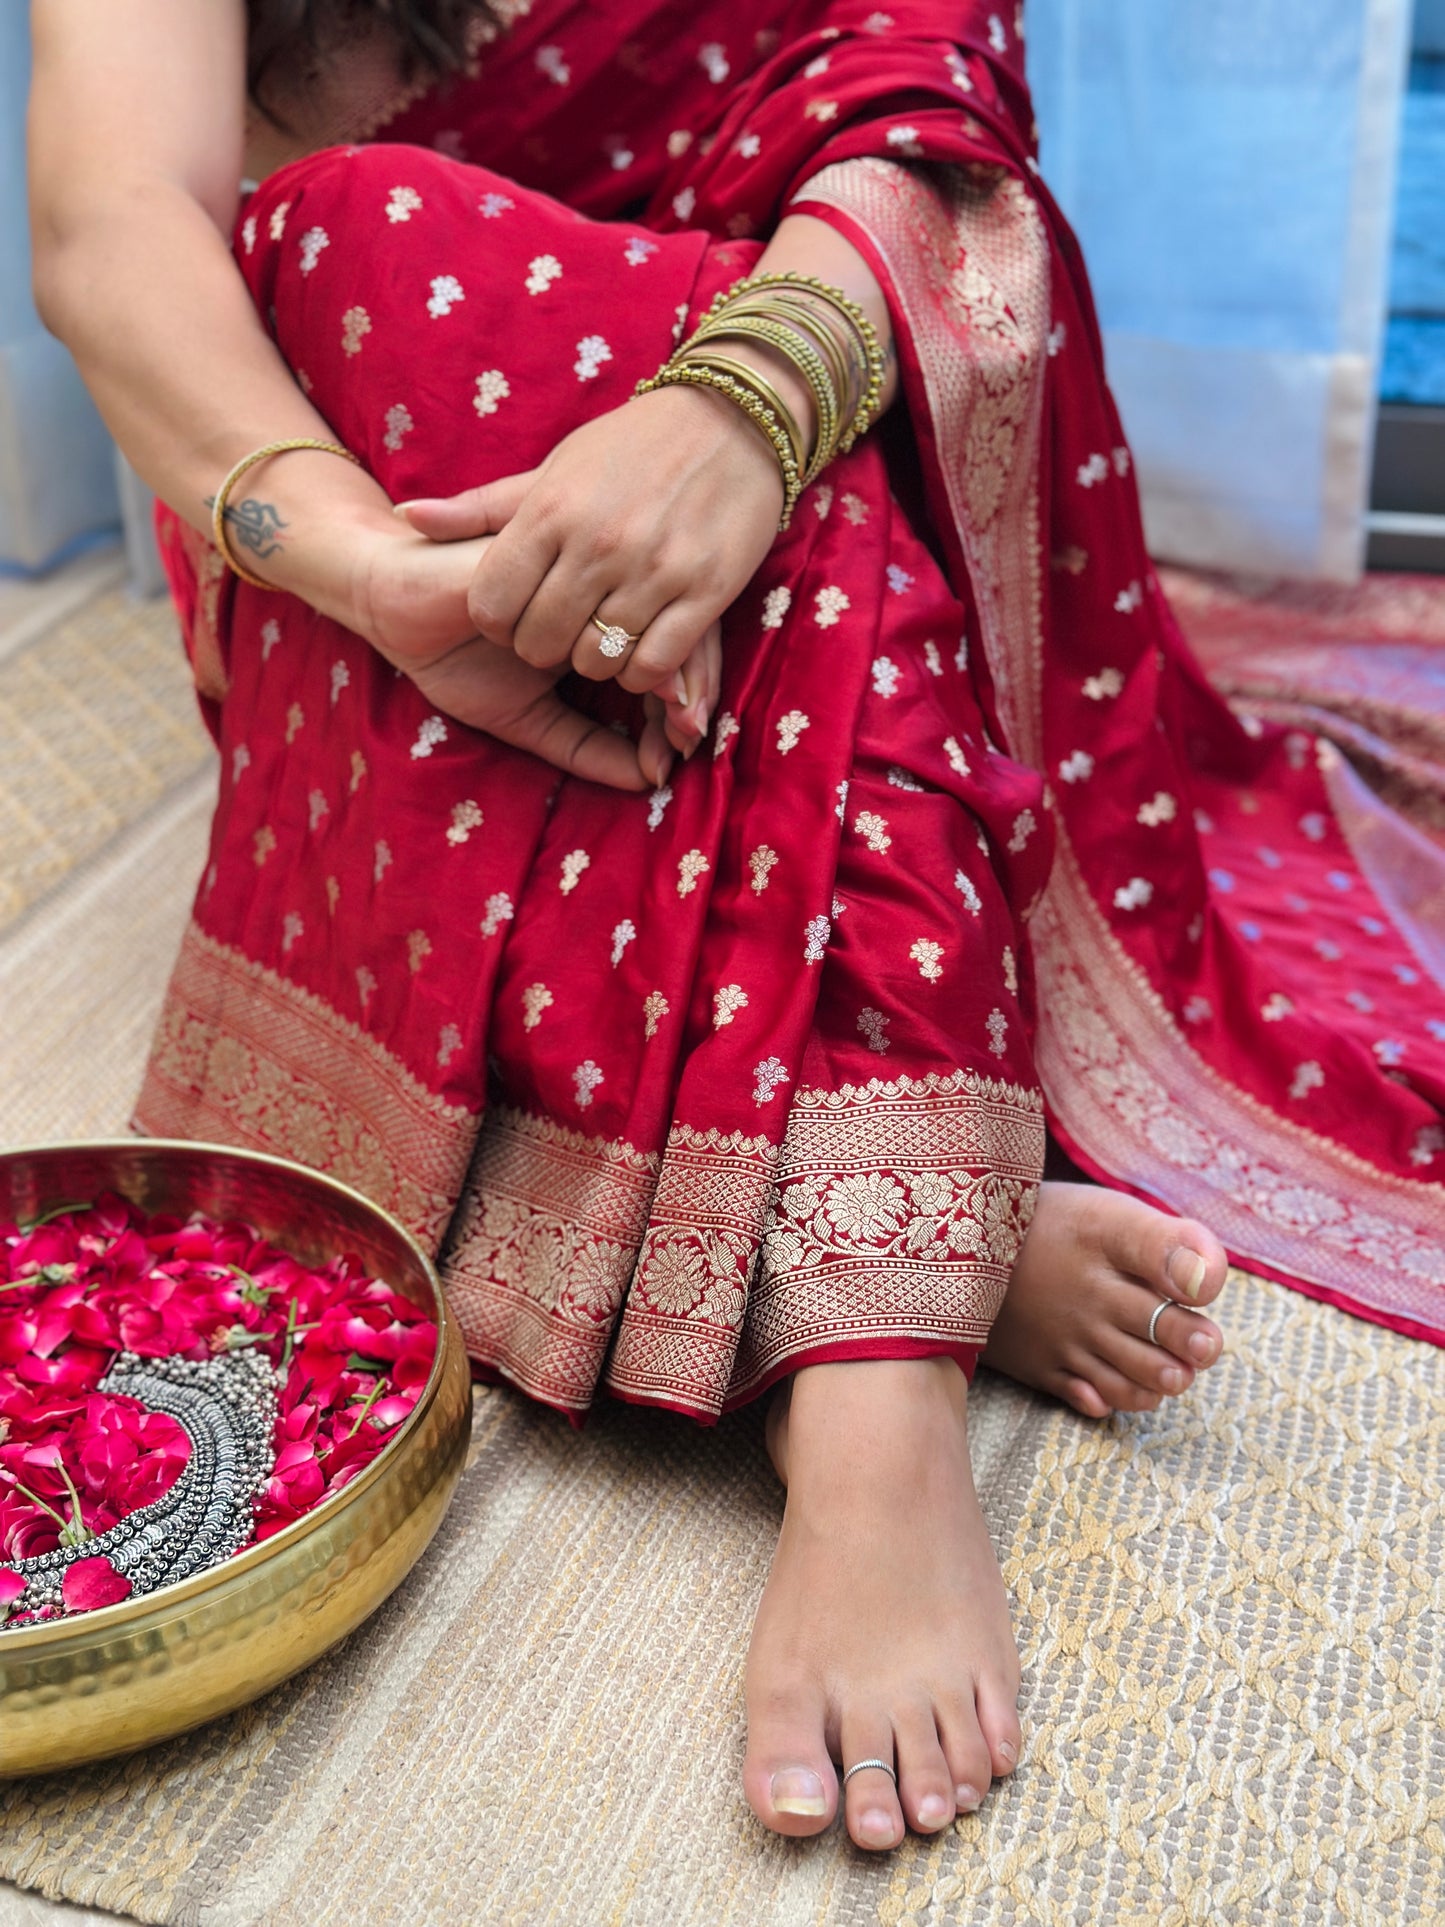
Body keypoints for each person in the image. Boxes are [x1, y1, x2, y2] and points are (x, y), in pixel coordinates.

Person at [28, 0, 1444, 1854]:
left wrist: (732, 414)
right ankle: (876, 1245)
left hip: (839, 382)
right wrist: (382, 571)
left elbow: (921, 94)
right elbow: (113, 217)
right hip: (398, 520)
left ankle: (864, 1372)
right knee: (367, 221)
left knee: (834, 384)